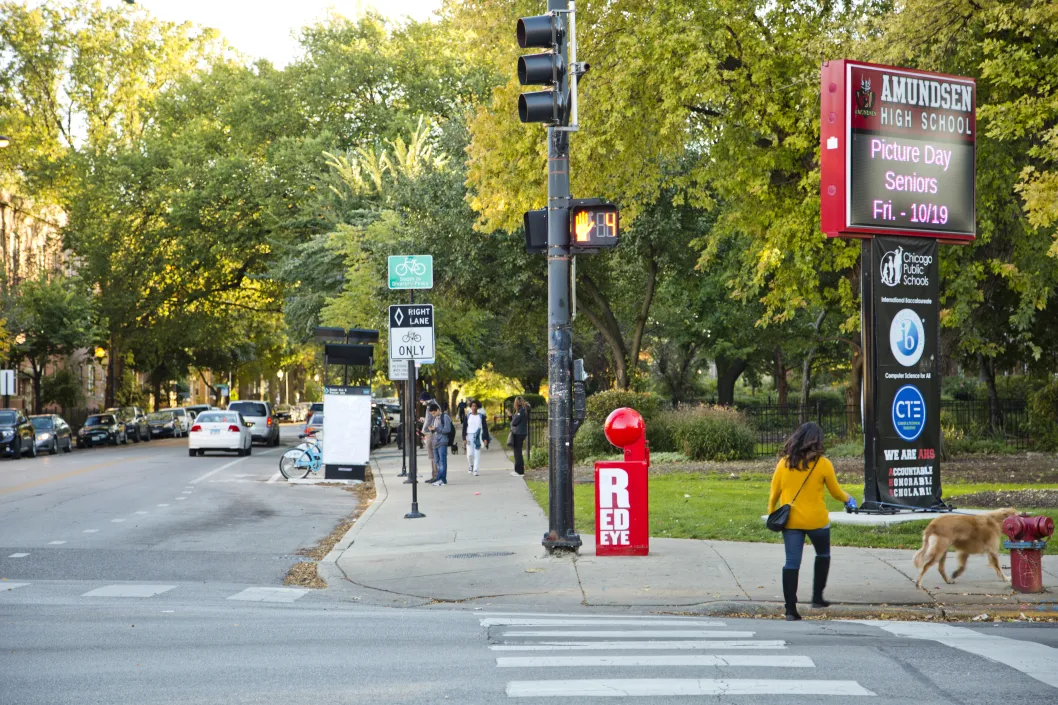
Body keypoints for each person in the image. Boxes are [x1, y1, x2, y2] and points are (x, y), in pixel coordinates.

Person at [768, 422, 857, 621]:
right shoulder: (823, 464)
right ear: (817, 441)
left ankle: (790, 609)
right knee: (823, 554)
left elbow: (775, 492)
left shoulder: (784, 463)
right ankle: (817, 597)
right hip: (817, 521)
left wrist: (772, 512)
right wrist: (848, 499)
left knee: (791, 563)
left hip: (791, 522)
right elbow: (835, 492)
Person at [461, 399, 491, 476]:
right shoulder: (467, 416)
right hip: (469, 436)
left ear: (478, 407)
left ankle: (475, 470)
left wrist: (485, 439)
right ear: (470, 407)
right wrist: (464, 438)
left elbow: (485, 428)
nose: (474, 407)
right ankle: (471, 465)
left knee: (477, 454)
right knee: (470, 455)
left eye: (475, 406)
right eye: (472, 406)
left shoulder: (481, 417)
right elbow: (464, 428)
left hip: (478, 436)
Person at [427, 402, 453, 486]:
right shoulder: (435, 418)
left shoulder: (444, 417)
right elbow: (436, 430)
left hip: (442, 441)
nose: (433, 415)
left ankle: (441, 479)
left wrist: (437, 428)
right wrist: (432, 429)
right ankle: (440, 478)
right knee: (437, 461)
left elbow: (447, 429)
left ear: (438, 410)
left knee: (442, 461)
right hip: (435, 441)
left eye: (434, 413)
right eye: (432, 414)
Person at [419, 392, 438, 482]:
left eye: (421, 401)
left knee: (432, 455)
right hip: (432, 432)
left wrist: (423, 431)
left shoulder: (431, 406)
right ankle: (434, 475)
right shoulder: (432, 405)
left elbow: (430, 421)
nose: (421, 403)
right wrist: (425, 419)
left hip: (430, 433)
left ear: (425, 399)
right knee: (433, 455)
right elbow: (430, 419)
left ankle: (435, 475)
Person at [509, 396, 529, 477]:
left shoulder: (520, 411)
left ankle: (519, 471)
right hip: (521, 433)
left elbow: (514, 422)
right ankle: (520, 470)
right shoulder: (524, 410)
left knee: (517, 453)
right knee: (518, 452)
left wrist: (511, 416)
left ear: (516, 403)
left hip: (518, 434)